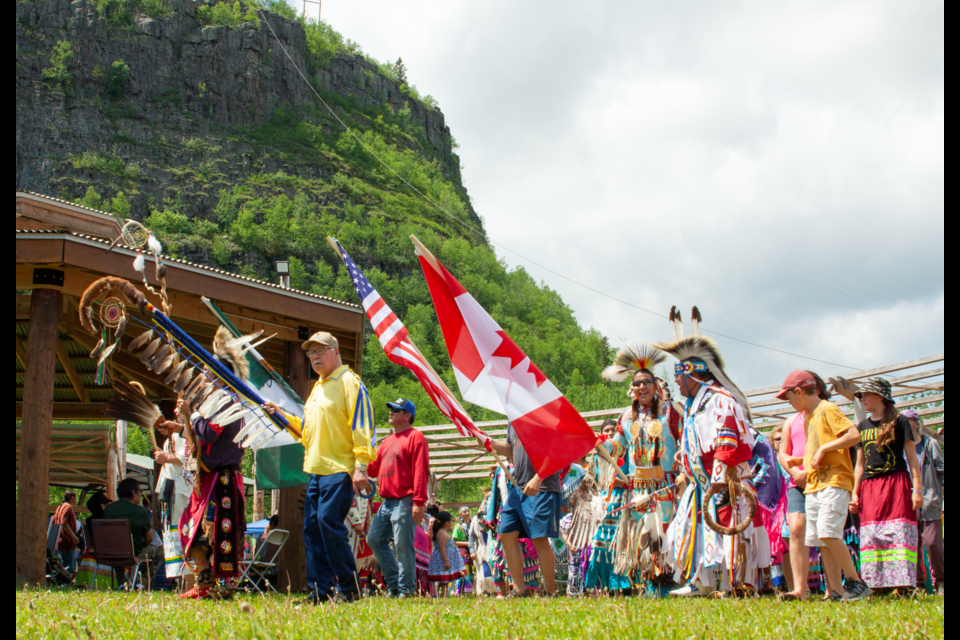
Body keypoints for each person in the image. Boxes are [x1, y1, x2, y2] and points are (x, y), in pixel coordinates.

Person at [262, 331, 376, 605]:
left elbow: (364, 425)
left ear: (336, 352)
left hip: (340, 469)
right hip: (316, 471)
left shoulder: (350, 382)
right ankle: (320, 592)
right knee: (312, 529)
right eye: (310, 354)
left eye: (320, 351)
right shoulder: (318, 389)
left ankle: (350, 588)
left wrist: (361, 466)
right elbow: (307, 432)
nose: (314, 358)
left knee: (327, 522)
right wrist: (281, 417)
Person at [658, 334, 771, 597]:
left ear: (693, 375)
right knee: (697, 529)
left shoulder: (719, 400)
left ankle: (738, 585)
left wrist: (720, 481)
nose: (675, 381)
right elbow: (697, 440)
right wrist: (684, 456)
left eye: (679, 376)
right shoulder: (692, 405)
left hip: (726, 479)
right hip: (702, 482)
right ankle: (703, 583)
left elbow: (726, 442)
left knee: (731, 528)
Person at [164, 328, 250, 599]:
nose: (203, 374)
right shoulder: (215, 400)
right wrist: (182, 425)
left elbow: (210, 433)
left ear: (219, 372)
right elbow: (204, 439)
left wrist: (191, 416)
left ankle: (223, 587)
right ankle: (205, 583)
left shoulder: (226, 399)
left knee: (216, 534)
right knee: (190, 528)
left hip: (221, 480)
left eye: (207, 369)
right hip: (210, 479)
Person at [776, 370, 871, 602]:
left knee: (829, 532)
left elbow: (854, 435)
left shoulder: (828, 409)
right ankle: (837, 592)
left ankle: (856, 582)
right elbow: (814, 452)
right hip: (814, 485)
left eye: (789, 398)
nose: (788, 403)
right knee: (820, 538)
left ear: (799, 391)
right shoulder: (808, 417)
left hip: (835, 480)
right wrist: (800, 461)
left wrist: (823, 449)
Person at [601, 344, 684, 594]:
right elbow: (618, 446)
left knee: (666, 535)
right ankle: (648, 585)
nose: (641, 387)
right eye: (637, 384)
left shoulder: (672, 412)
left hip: (667, 486)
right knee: (642, 538)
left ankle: (670, 585)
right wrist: (601, 444)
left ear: (656, 385)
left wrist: (684, 473)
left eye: (646, 382)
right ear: (632, 388)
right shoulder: (626, 416)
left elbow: (686, 442)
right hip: (638, 487)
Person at [853, 377, 923, 594]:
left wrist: (917, 490)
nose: (863, 399)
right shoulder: (861, 426)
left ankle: (902, 585)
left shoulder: (900, 422)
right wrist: (854, 494)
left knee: (899, 531)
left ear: (881, 397)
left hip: (896, 483)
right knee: (873, 534)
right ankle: (877, 585)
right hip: (870, 487)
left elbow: (912, 459)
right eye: (861, 395)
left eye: (867, 394)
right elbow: (859, 464)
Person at [490, 422, 562, 598]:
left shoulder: (541, 415)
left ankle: (551, 591)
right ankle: (520, 591)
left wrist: (538, 478)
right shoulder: (513, 420)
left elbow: (556, 451)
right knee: (506, 534)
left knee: (540, 539)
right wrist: (489, 442)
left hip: (542, 487)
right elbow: (511, 449)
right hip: (518, 488)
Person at [365, 398, 429, 599]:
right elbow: (372, 468)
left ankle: (407, 590)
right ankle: (395, 586)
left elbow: (421, 471)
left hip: (405, 499)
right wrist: (355, 460)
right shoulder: (387, 442)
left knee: (402, 545)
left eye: (396, 409)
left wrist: (419, 502)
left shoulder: (416, 437)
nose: (390, 412)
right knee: (373, 539)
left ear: (407, 415)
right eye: (391, 409)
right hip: (387, 502)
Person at [902, 409, 944, 595]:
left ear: (917, 423)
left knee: (933, 543)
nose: (906, 424)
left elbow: (942, 471)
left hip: (930, 502)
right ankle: (918, 585)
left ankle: (941, 580)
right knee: (912, 545)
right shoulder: (900, 446)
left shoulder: (930, 444)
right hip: (907, 504)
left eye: (909, 420)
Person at [103, 478, 163, 587]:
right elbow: (149, 539)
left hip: (110, 553)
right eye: (140, 491)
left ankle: (122, 584)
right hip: (133, 554)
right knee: (159, 552)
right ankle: (141, 585)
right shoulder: (141, 512)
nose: (141, 494)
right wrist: (141, 546)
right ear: (133, 493)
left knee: (117, 547)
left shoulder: (108, 509)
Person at [154, 429, 193, 587]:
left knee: (184, 534)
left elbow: (192, 458)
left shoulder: (191, 433)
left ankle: (189, 583)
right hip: (170, 490)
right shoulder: (174, 436)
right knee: (173, 536)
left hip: (183, 491)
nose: (176, 410)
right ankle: (180, 583)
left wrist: (167, 457)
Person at [427, 511, 466, 595]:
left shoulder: (443, 532)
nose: (452, 523)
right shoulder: (442, 533)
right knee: (444, 580)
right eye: (451, 521)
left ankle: (442, 595)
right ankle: (442, 595)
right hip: (442, 560)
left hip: (446, 558)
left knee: (445, 580)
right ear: (446, 523)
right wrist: (446, 561)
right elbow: (442, 548)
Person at [52, 491, 80, 575]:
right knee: (70, 568)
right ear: (72, 498)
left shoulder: (59, 507)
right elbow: (63, 523)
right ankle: (68, 584)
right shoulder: (67, 507)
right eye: (76, 497)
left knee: (62, 567)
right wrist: (74, 537)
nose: (76, 499)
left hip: (60, 542)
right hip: (67, 542)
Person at [452, 506, 474, 595]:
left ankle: (468, 590)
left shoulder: (472, 524)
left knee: (471, 570)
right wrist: (467, 544)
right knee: (464, 570)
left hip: (472, 550)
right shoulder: (458, 527)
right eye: (464, 512)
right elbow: (454, 541)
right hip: (462, 551)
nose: (467, 513)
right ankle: (458, 591)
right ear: (460, 514)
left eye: (468, 511)